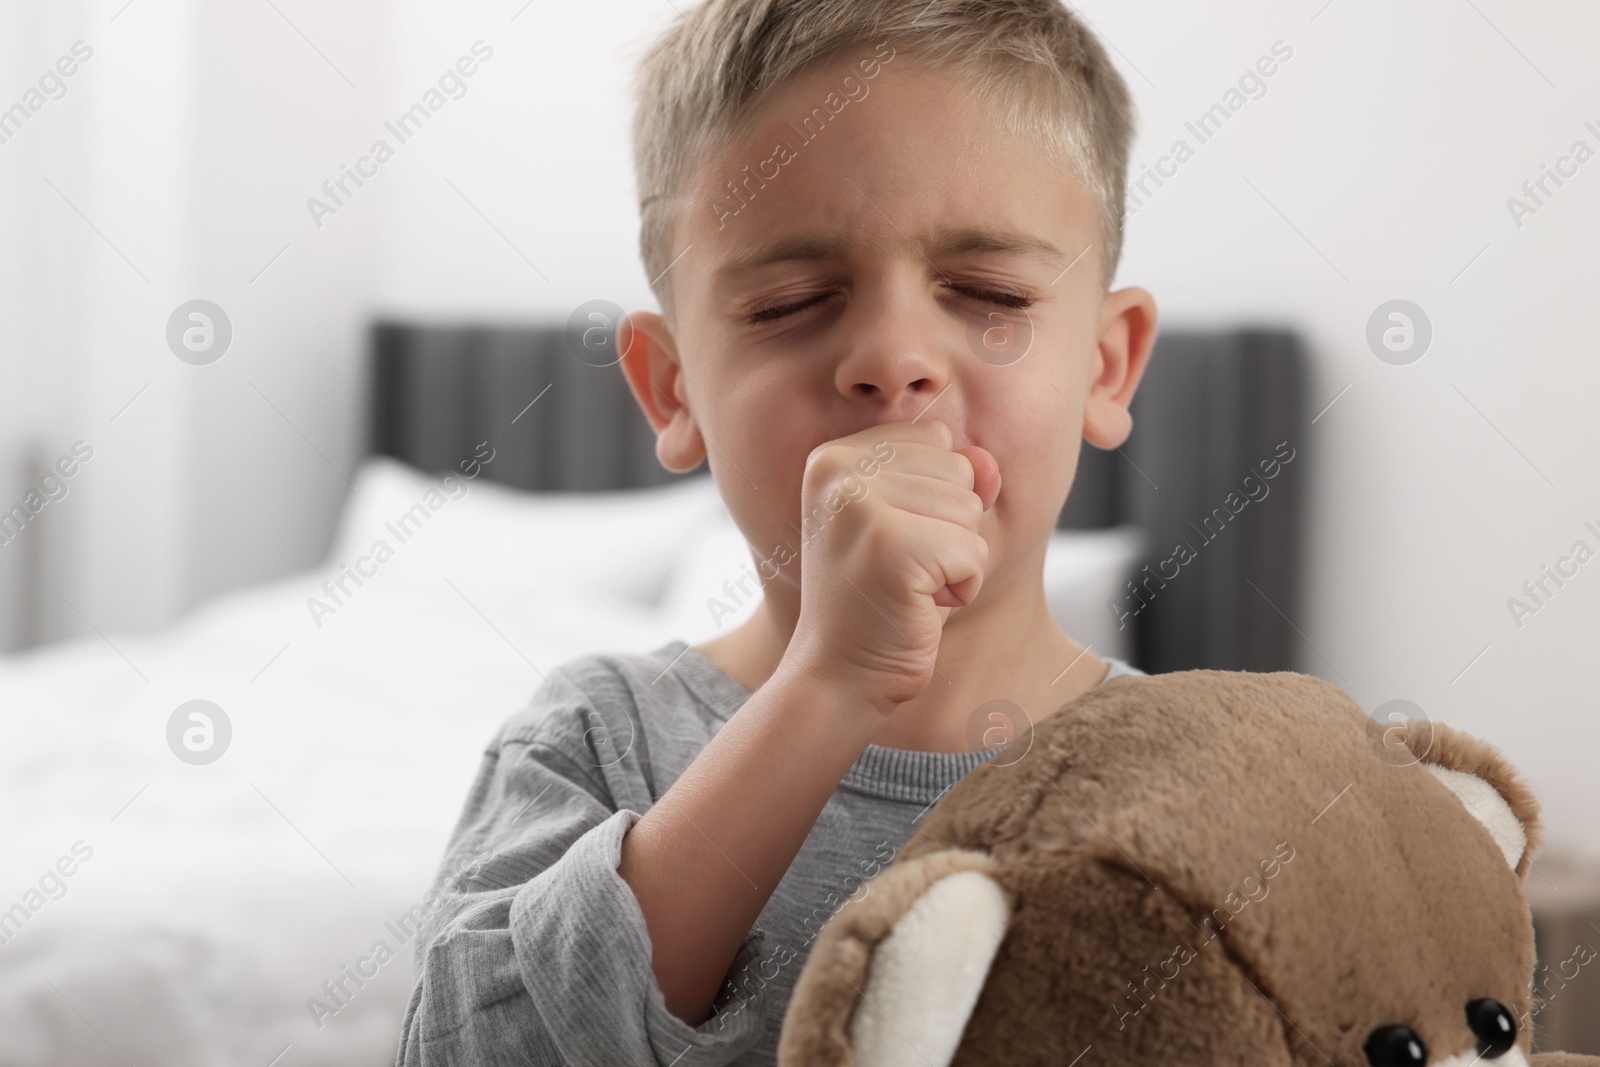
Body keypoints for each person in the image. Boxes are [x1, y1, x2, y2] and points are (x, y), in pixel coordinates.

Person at [395, 0, 1158, 1062]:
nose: (893, 360)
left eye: (986, 293)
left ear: (1106, 364)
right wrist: (827, 684)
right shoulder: (597, 741)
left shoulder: (1199, 763)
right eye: (792, 301)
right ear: (672, 389)